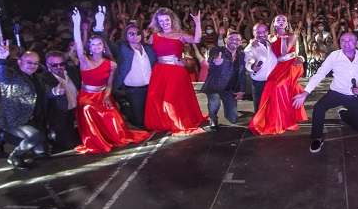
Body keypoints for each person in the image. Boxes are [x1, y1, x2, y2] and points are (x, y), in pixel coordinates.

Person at [71, 8, 150, 154]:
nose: (96, 47)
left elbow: (109, 84)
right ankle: (95, 141)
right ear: (89, 47)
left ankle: (110, 136)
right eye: (93, 44)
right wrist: (76, 24)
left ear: (103, 47)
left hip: (103, 95)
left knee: (112, 117)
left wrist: (107, 95)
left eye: (99, 44)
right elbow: (78, 43)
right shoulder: (84, 61)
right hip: (86, 96)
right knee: (89, 109)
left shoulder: (111, 64)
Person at [293, 32, 358, 153]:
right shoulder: (334, 56)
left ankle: (343, 114)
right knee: (318, 108)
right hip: (336, 93)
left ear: (357, 43)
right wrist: (305, 92)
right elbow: (320, 74)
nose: (346, 43)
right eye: (343, 40)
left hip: (356, 95)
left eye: (349, 40)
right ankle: (317, 138)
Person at [144, 7, 208, 135]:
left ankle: (175, 122)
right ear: (157, 22)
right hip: (160, 71)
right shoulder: (153, 36)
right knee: (158, 99)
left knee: (173, 98)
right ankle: (164, 123)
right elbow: (147, 52)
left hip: (175, 71)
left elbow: (196, 40)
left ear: (172, 20)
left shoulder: (180, 35)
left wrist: (197, 23)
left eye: (166, 20)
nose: (164, 23)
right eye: (161, 21)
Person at [93, 7, 157, 127]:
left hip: (152, 89)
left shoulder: (149, 49)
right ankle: (124, 108)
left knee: (153, 118)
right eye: (131, 34)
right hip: (134, 91)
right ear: (126, 36)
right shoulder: (122, 48)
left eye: (137, 33)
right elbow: (105, 41)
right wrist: (100, 24)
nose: (135, 36)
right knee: (140, 122)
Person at [249, 15, 307, 135]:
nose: (281, 22)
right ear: (273, 23)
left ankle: (284, 120)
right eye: (278, 20)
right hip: (277, 66)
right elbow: (262, 44)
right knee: (271, 87)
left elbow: (283, 53)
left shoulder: (292, 35)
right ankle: (271, 118)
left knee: (278, 87)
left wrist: (285, 42)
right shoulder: (270, 37)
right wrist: (253, 41)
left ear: (287, 24)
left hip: (289, 65)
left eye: (283, 20)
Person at [0, 45, 49, 169]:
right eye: (29, 62)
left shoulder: (37, 76)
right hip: (12, 118)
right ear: (20, 62)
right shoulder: (11, 74)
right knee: (36, 136)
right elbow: (0, 74)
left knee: (41, 151)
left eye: (36, 63)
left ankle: (3, 136)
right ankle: (15, 156)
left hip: (31, 119)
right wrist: (2, 59)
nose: (33, 66)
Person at [200, 31, 246, 130]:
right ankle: (213, 119)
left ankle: (228, 108)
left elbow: (242, 75)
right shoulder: (217, 50)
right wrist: (215, 61)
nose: (234, 41)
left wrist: (241, 90)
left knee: (233, 119)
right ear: (226, 40)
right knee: (215, 103)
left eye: (237, 39)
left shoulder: (241, 55)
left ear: (241, 42)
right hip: (214, 86)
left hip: (229, 89)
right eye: (231, 39)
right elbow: (212, 59)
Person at [40, 50, 82, 150]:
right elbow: (46, 93)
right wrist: (55, 92)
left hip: (78, 111)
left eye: (62, 64)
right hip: (60, 116)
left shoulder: (72, 71)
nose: (59, 67)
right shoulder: (43, 77)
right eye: (54, 65)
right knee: (69, 144)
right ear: (47, 65)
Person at [244, 23, 278, 112]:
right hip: (259, 83)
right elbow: (248, 58)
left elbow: (280, 57)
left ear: (267, 32)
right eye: (258, 32)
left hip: (273, 81)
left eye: (263, 31)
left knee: (273, 108)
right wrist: (252, 66)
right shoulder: (251, 47)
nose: (261, 34)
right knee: (260, 109)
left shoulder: (271, 44)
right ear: (253, 33)